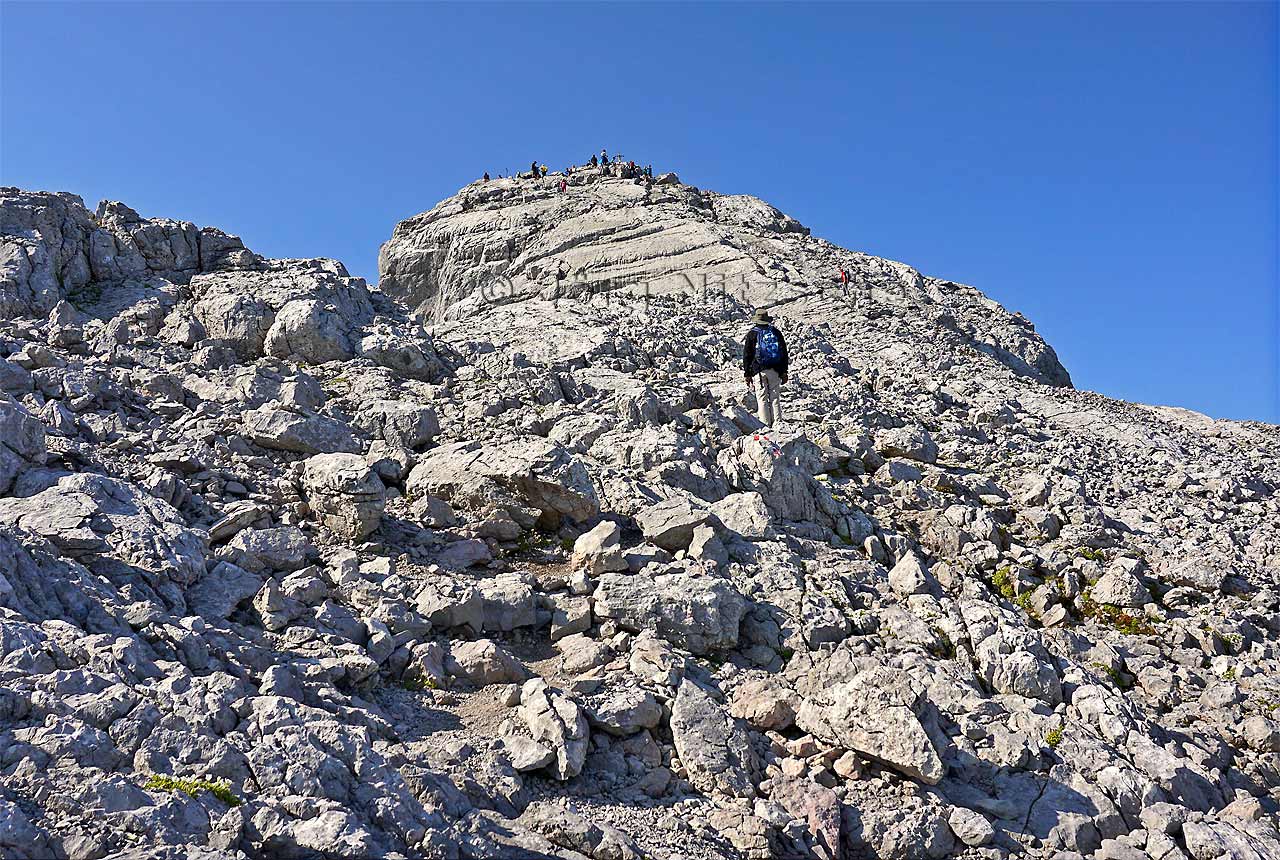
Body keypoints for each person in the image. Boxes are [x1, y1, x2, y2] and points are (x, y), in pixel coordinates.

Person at [742, 309, 788, 428]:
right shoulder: (776, 332)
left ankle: (765, 425)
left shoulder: (752, 334)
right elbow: (783, 353)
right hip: (775, 370)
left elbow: (747, 355)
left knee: (762, 398)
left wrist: (747, 374)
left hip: (759, 371)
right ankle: (778, 423)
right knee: (775, 397)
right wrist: (783, 371)